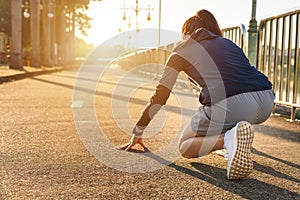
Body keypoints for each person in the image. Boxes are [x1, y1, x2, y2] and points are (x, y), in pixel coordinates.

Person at [118, 9, 275, 180]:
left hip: (233, 104)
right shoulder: (227, 42)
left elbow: (160, 96)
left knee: (186, 146)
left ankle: (227, 140)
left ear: (186, 34)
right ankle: (233, 140)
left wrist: (138, 130)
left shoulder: (181, 51)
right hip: (266, 100)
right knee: (226, 117)